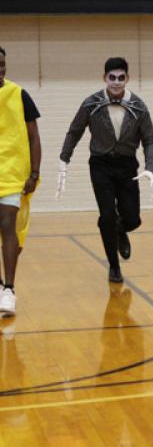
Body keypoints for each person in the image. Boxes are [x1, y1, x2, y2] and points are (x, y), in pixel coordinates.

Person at [57, 57, 153, 283]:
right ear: (104, 78)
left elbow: (149, 139)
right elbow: (74, 131)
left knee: (132, 219)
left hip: (127, 165)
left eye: (121, 78)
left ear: (127, 78)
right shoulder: (91, 103)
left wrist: (150, 167)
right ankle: (114, 266)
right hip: (100, 165)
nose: (116, 82)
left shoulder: (138, 106)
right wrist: (64, 159)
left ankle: (120, 230)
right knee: (107, 215)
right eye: (112, 77)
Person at [0, 46, 42, 316]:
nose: (0, 69)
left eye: (2, 64)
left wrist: (34, 173)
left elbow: (34, 136)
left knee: (8, 225)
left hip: (13, 173)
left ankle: (9, 290)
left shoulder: (19, 94)